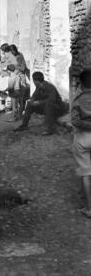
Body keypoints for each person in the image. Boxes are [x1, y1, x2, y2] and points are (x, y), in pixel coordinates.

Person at [71, 69, 91, 218]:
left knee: (86, 172)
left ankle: (89, 208)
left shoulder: (78, 100)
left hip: (83, 137)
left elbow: (75, 121)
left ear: (82, 84)